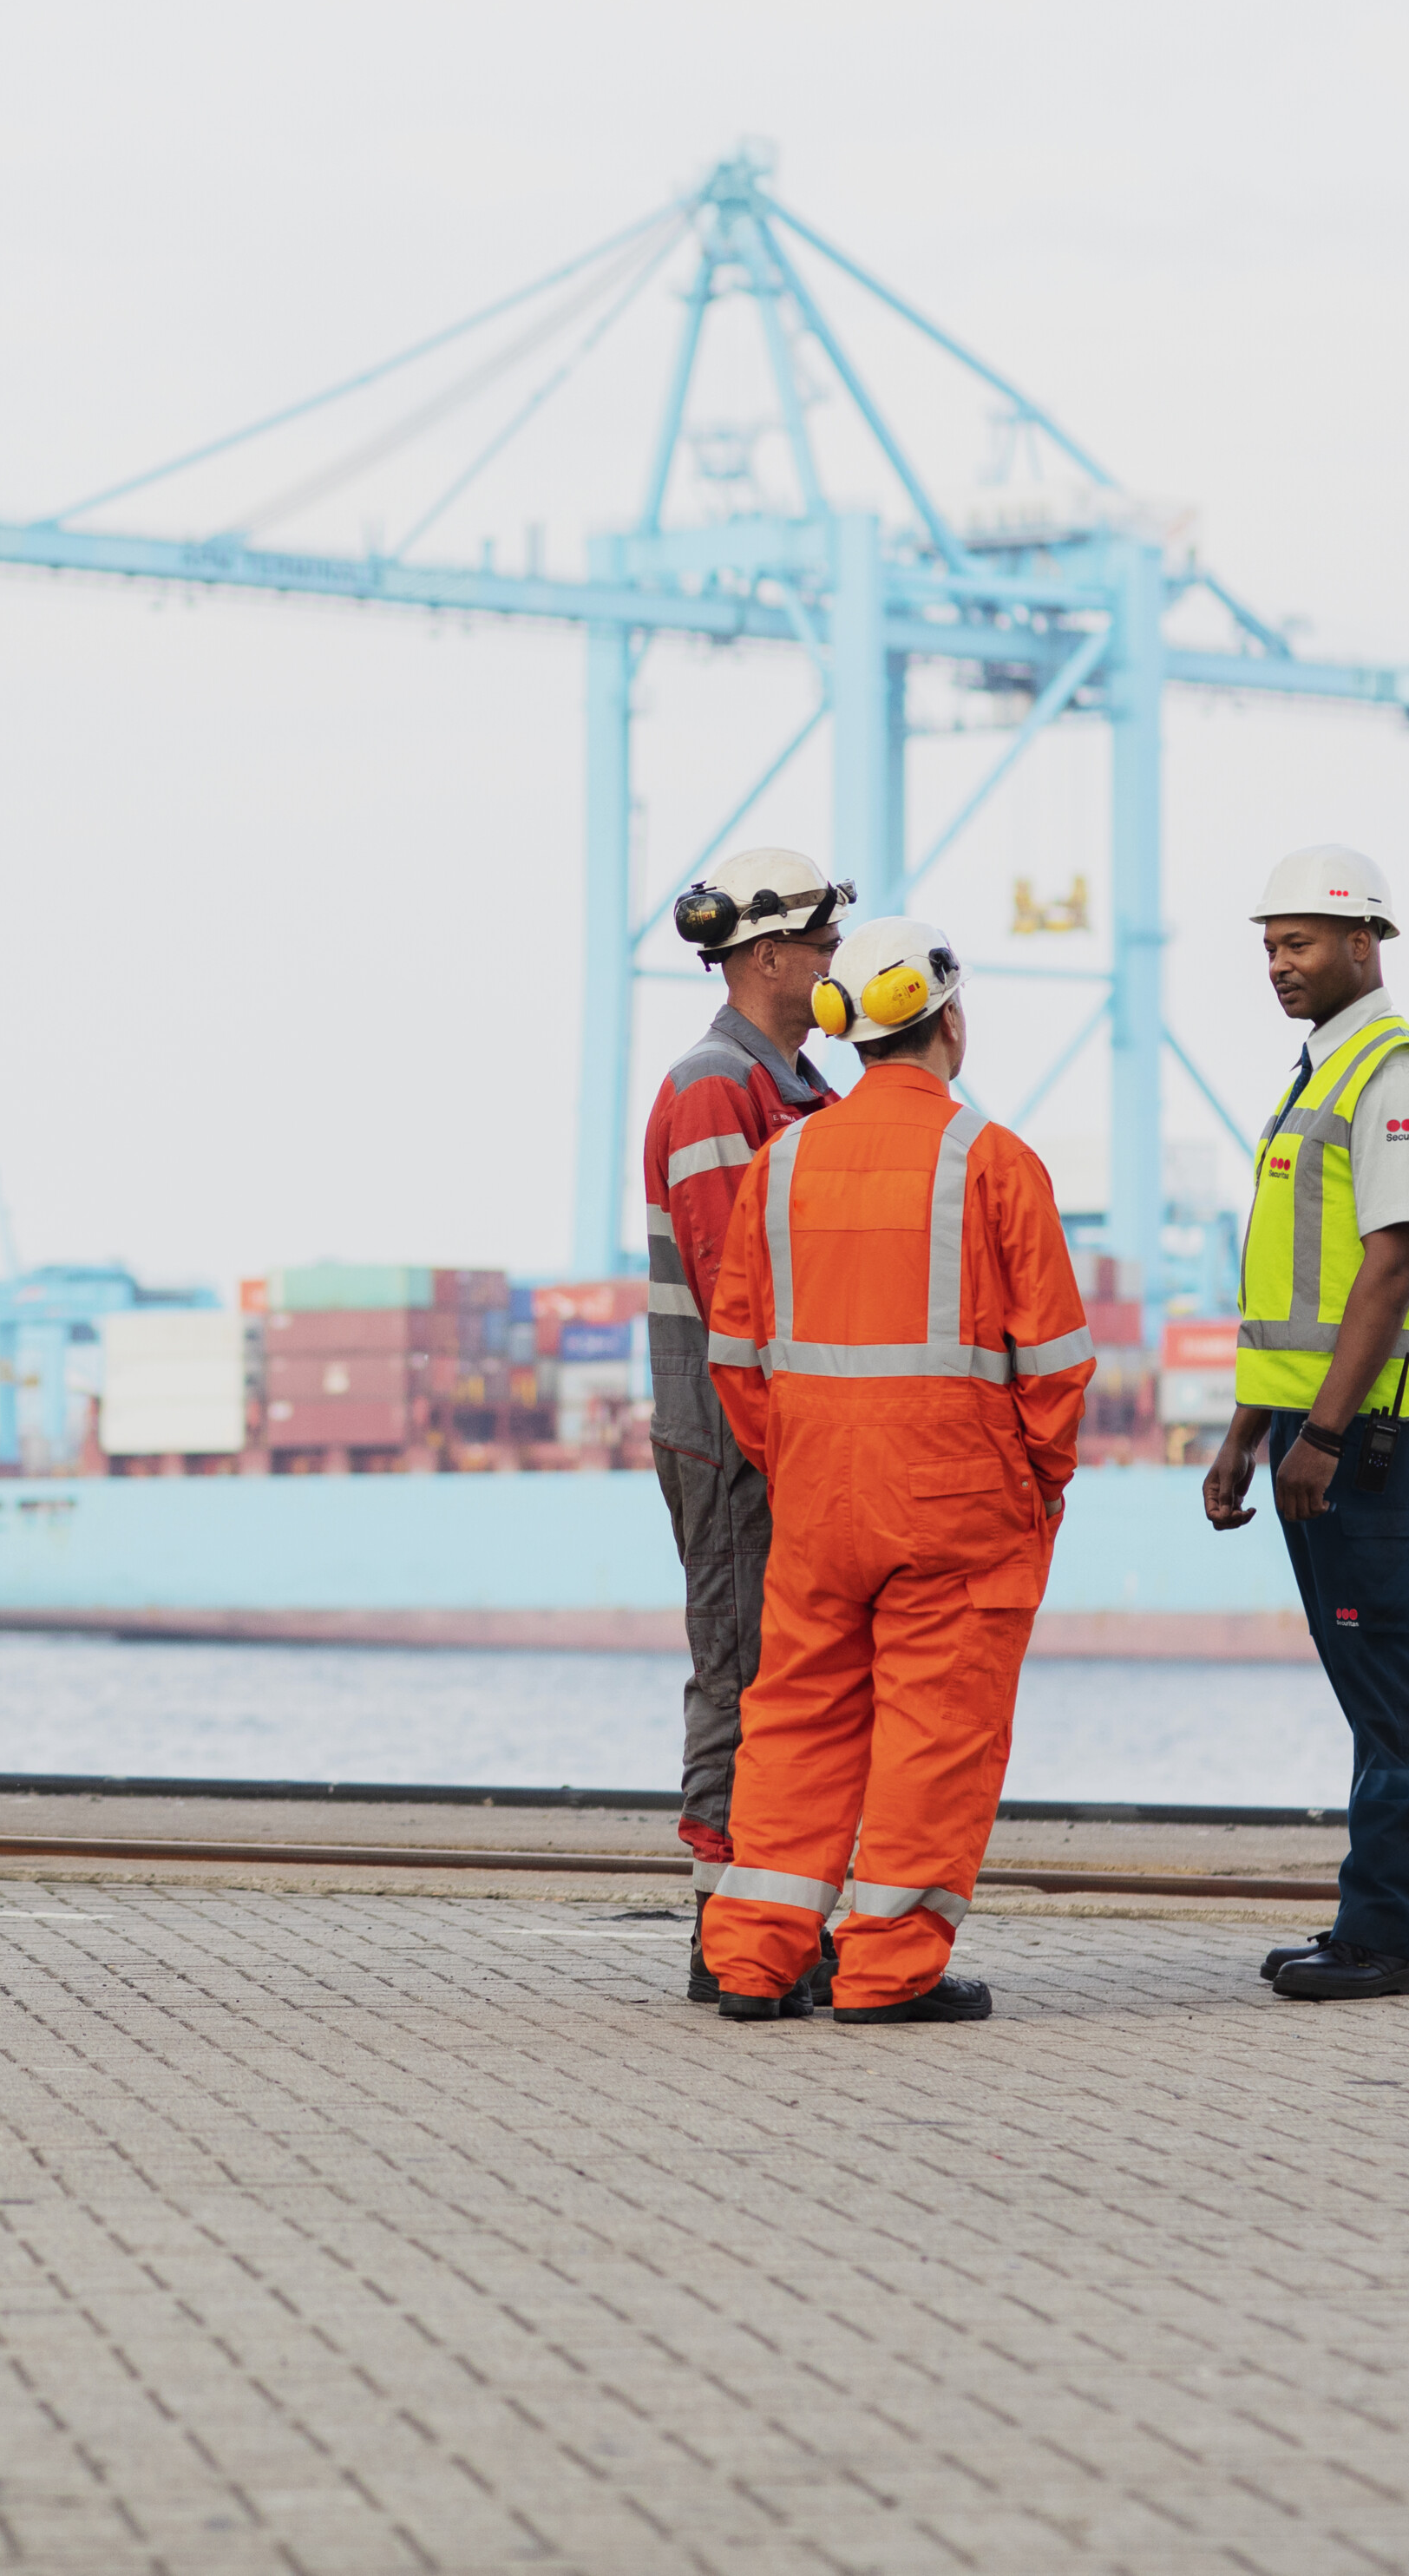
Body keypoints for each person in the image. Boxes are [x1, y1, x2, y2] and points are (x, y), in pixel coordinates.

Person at [695, 920, 1093, 2024]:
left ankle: (753, 1959)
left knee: (794, 1722)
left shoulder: (781, 1164)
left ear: (845, 1032)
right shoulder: (994, 1162)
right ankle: (883, 1971)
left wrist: (798, 1462)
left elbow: (734, 1352)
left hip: (818, 1499)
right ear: (948, 1025)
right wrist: (1033, 1487)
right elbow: (1054, 1363)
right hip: (957, 1504)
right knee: (934, 1733)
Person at [1202, 846, 1409, 2002]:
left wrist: (1320, 1436)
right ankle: (1393, 1927)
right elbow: (1293, 1286)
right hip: (1314, 1422)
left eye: (1299, 942)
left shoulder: (1394, 1077)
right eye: (1268, 945)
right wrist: (1245, 1428)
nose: (1278, 964)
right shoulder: (1320, 1075)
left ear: (1365, 944)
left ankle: (1388, 1938)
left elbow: (1392, 1267)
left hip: (1367, 1431)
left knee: (1382, 1686)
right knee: (1367, 1683)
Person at [640, 849, 847, 2002]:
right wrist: (789, 1442)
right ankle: (729, 1933)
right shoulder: (720, 1085)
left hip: (788, 1435)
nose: (831, 968)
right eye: (820, 947)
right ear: (768, 954)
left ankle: (780, 1916)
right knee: (739, 1671)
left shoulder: (801, 1090)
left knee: (789, 1676)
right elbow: (736, 1300)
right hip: (734, 1439)